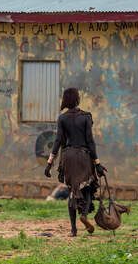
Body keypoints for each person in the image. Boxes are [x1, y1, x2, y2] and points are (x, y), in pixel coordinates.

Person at [44, 88, 107, 237]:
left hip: (68, 157)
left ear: (66, 101)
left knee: (73, 191)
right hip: (84, 156)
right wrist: (97, 163)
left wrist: (49, 162)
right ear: (77, 100)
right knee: (88, 188)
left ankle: (73, 230)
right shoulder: (86, 117)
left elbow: (58, 140)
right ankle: (84, 215)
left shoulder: (62, 118)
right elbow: (90, 142)